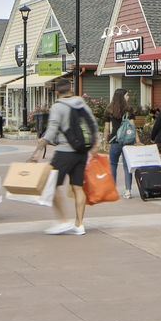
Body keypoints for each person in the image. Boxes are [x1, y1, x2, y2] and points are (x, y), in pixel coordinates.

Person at [25, 76, 97, 235]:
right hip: (82, 152)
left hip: (65, 152)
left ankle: (63, 220)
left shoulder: (57, 107)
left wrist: (38, 149)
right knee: (78, 187)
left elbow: (52, 129)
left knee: (51, 184)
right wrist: (94, 147)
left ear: (57, 92)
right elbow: (92, 123)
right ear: (71, 89)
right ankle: (79, 224)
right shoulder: (81, 103)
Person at [104, 89, 134, 198]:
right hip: (127, 141)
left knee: (112, 164)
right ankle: (128, 190)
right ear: (122, 97)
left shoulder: (109, 110)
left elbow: (107, 127)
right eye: (127, 95)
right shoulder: (129, 110)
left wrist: (105, 140)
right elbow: (132, 127)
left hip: (115, 140)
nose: (128, 97)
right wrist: (138, 140)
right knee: (127, 166)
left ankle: (112, 190)